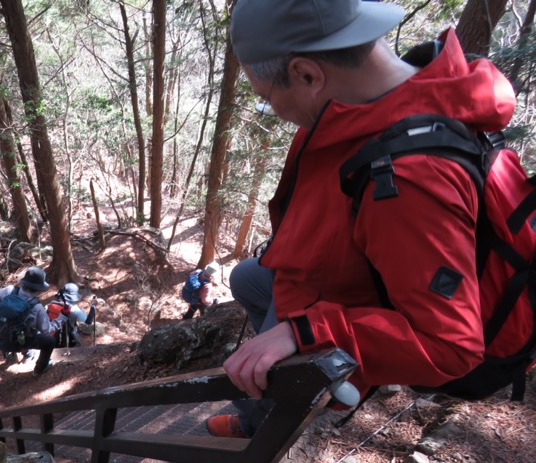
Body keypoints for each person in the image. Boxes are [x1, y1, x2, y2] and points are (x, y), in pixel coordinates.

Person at [206, 0, 517, 437]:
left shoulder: (410, 176)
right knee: (247, 279)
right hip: (325, 275)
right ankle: (299, 383)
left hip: (343, 308)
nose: (272, 109)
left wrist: (305, 333)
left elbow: (450, 346)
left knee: (275, 340)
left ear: (308, 74)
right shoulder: (378, 99)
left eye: (266, 97)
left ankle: (274, 419)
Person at [0, 267, 69, 376]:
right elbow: (47, 330)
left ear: (24, 282)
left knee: (21, 330)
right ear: (39, 289)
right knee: (48, 341)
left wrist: (1, 314)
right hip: (17, 343)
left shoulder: (9, 291)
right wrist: (63, 317)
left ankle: (28, 354)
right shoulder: (37, 307)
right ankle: (39, 369)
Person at [46, 282, 97, 348]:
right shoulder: (74, 309)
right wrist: (93, 306)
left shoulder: (50, 305)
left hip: (50, 337)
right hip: (68, 340)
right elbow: (88, 322)